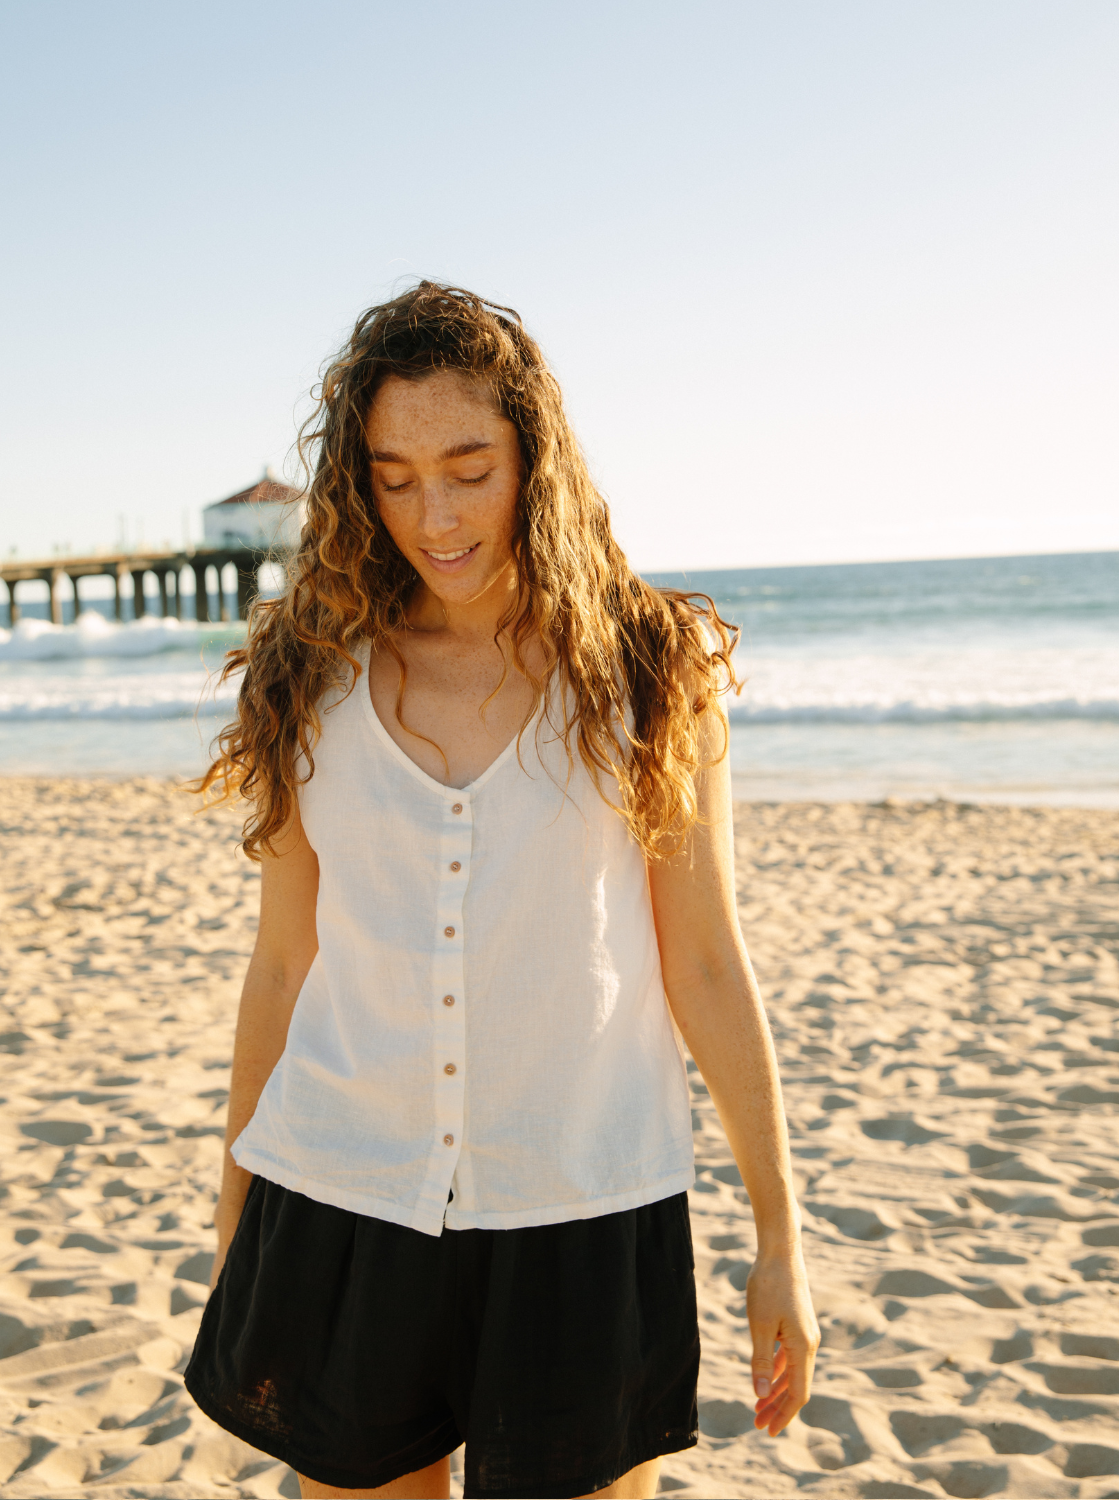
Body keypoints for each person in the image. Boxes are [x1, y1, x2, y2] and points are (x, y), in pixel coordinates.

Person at [184, 282, 818, 1500]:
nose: (437, 515)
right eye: (395, 474)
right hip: (342, 1198)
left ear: (537, 455)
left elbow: (705, 964)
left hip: (584, 1203)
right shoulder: (307, 676)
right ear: (356, 483)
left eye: (470, 467)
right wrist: (236, 1222)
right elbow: (281, 969)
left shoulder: (647, 672)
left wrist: (781, 1240)